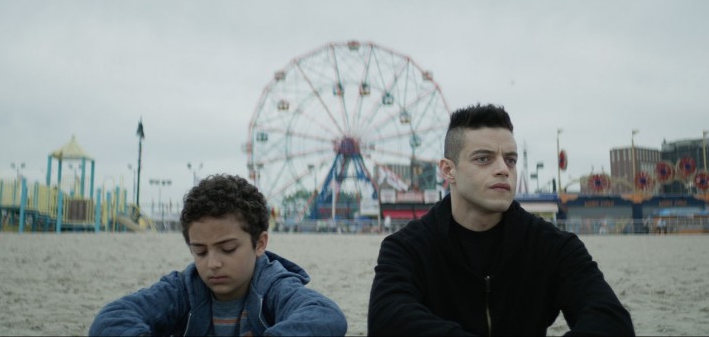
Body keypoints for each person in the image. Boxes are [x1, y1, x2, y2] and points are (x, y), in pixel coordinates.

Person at [368, 103, 634, 336]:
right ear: (448, 170)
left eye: (510, 160)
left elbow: (610, 320)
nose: (503, 170)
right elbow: (387, 320)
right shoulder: (406, 248)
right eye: (483, 159)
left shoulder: (554, 246)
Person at [90, 174, 347, 336]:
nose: (212, 263)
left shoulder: (274, 287)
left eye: (228, 249)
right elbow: (111, 318)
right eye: (200, 251)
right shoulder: (183, 289)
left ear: (260, 243)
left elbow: (325, 315)